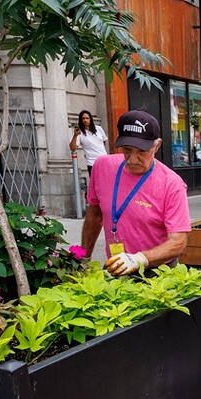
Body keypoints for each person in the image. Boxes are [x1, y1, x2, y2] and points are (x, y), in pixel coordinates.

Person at [81, 110, 191, 276]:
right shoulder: (102, 167)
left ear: (157, 146)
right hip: (115, 266)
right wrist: (83, 259)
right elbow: (94, 214)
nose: (132, 159)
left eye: (142, 151)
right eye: (127, 149)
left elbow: (178, 242)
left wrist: (140, 259)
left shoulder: (172, 184)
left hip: (158, 271)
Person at [69, 110, 108, 176]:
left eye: (87, 118)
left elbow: (104, 141)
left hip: (104, 160)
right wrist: (75, 135)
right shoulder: (80, 133)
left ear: (90, 119)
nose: (85, 120)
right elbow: (73, 148)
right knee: (96, 184)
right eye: (83, 118)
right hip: (92, 163)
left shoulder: (99, 128)